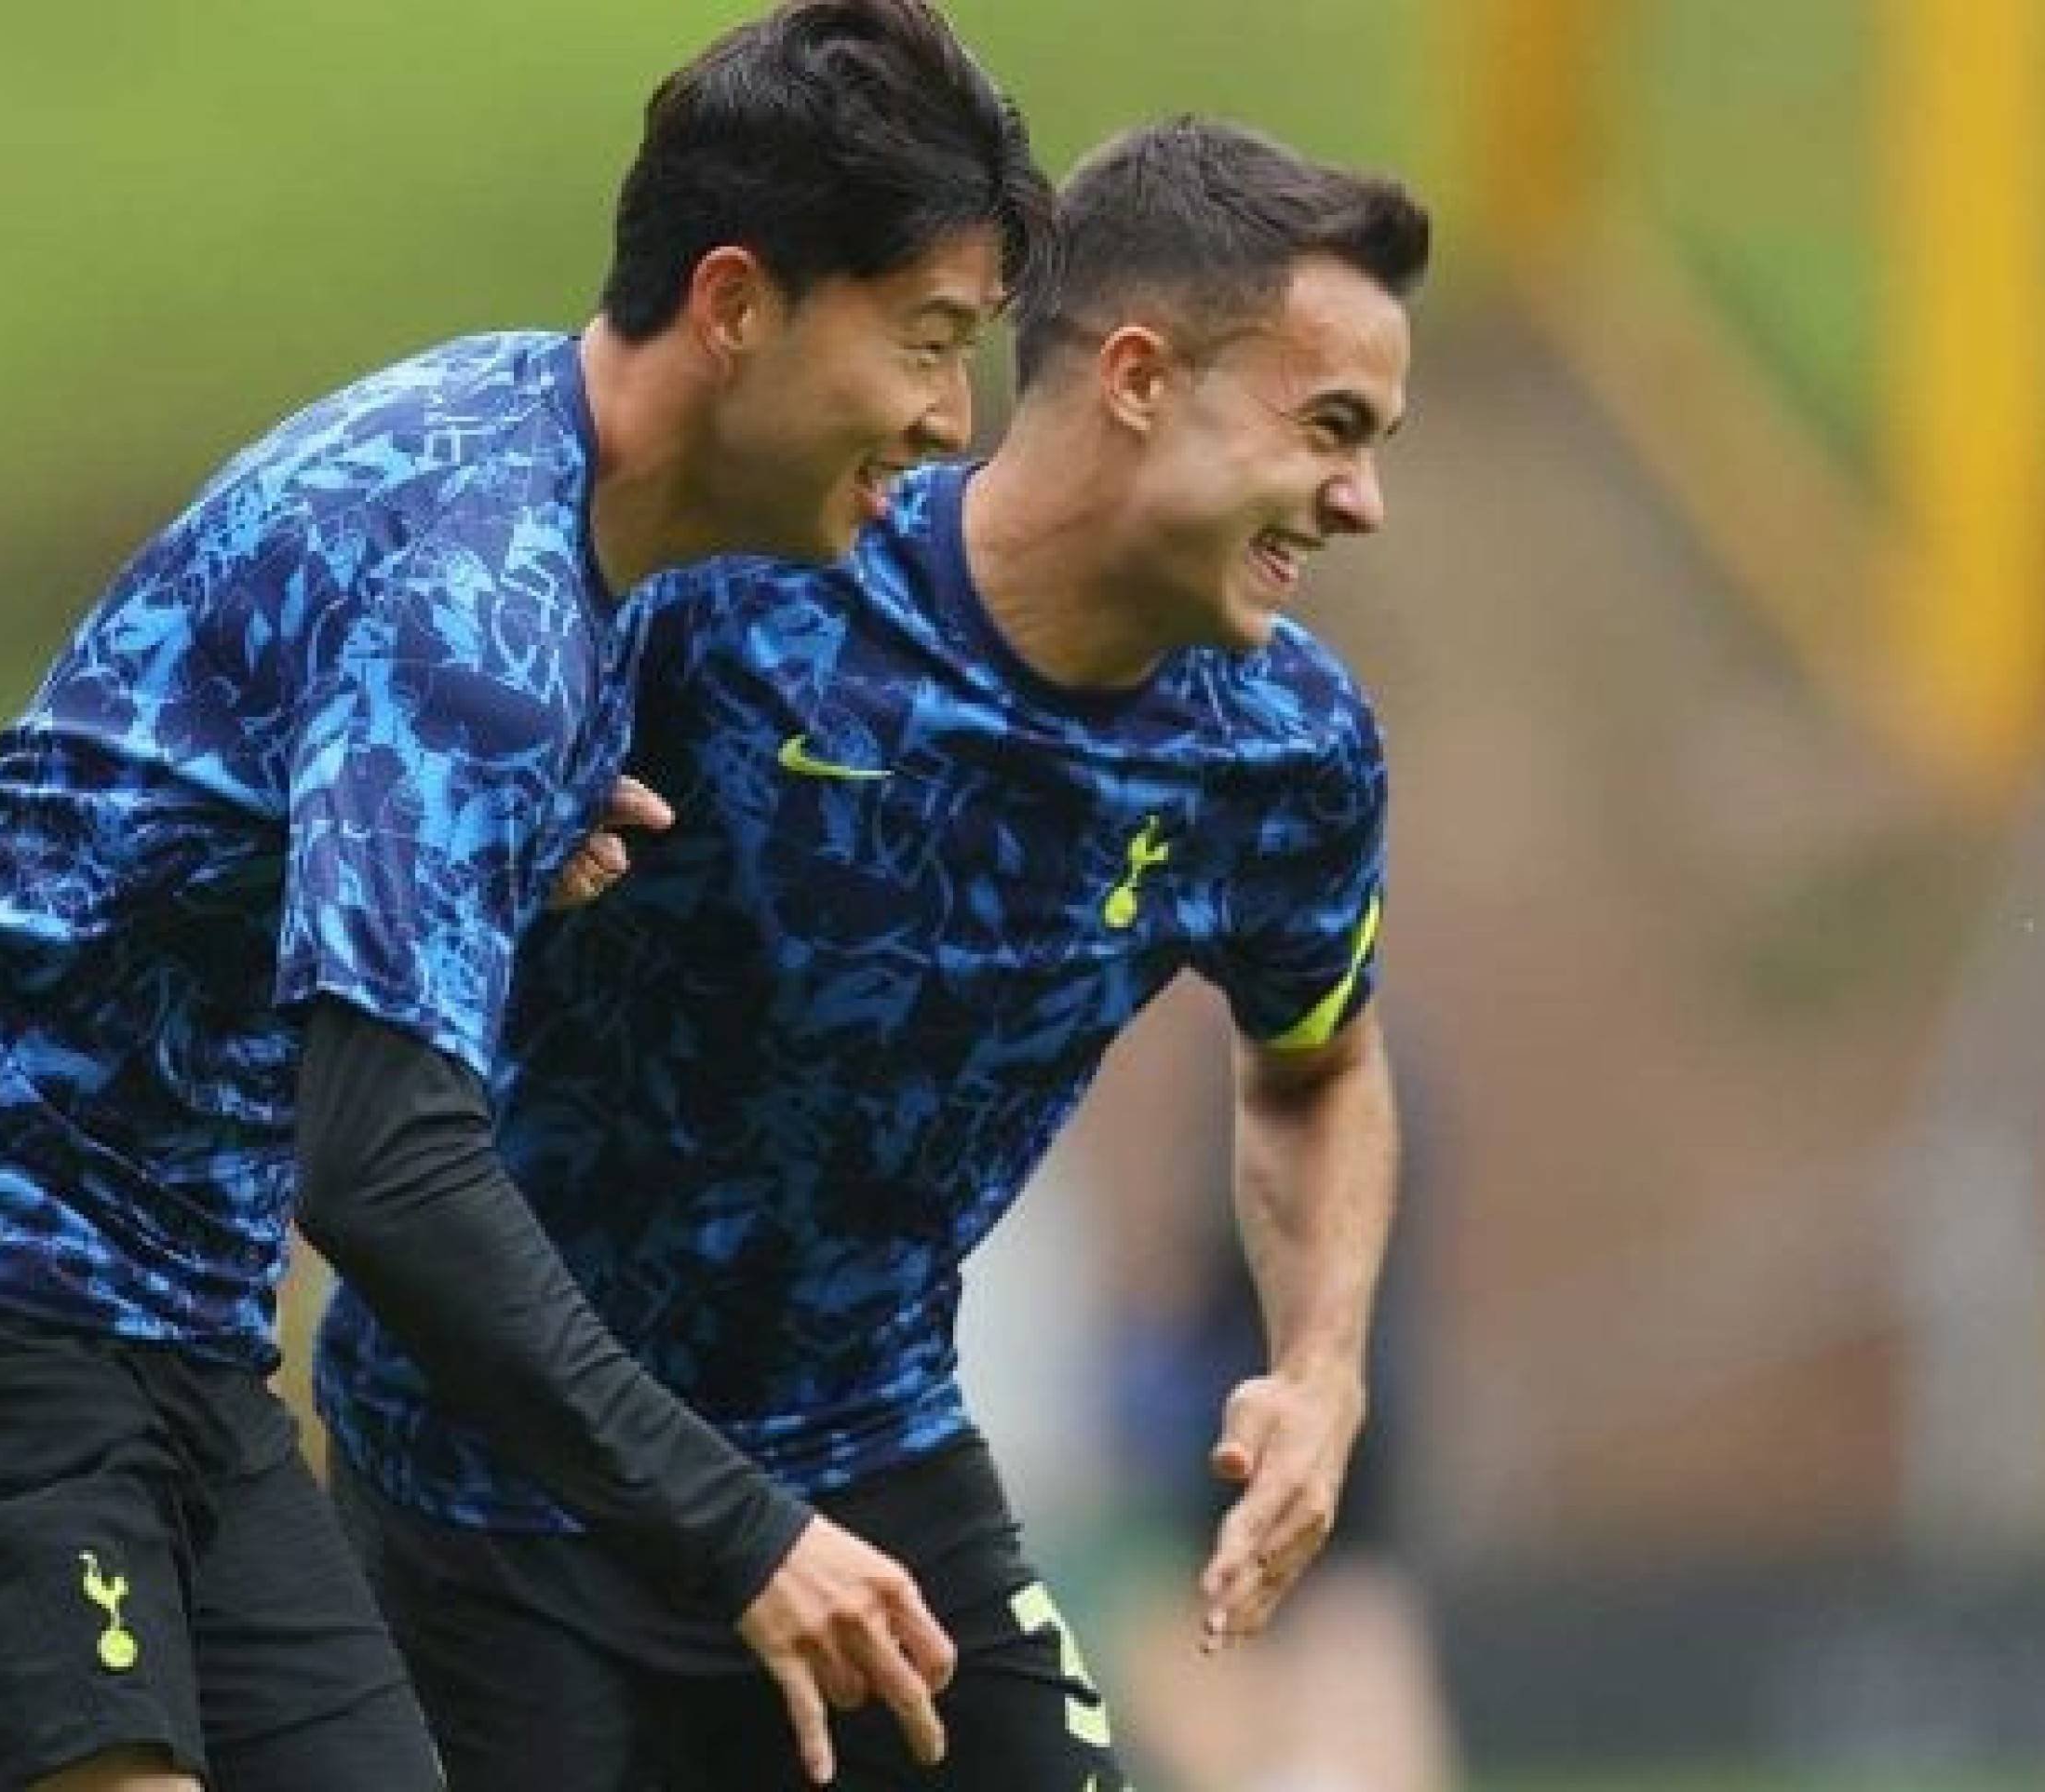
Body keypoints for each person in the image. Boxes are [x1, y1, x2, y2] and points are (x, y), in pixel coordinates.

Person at [0, 5, 1051, 1788]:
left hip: (172, 1330)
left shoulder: (550, 470)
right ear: (734, 303)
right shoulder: (477, 596)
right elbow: (387, 1170)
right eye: (928, 342)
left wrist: (493, 839)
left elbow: (279, 782)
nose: (950, 419)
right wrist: (742, 1531)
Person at [316, 116, 1430, 1790]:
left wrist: (1322, 1365)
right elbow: (404, 878)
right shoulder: (752, 581)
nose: (1361, 500)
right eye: (1328, 426)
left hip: (863, 1456)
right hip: (498, 1482)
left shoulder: (1285, 749)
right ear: (1138, 377)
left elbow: (1318, 1067)